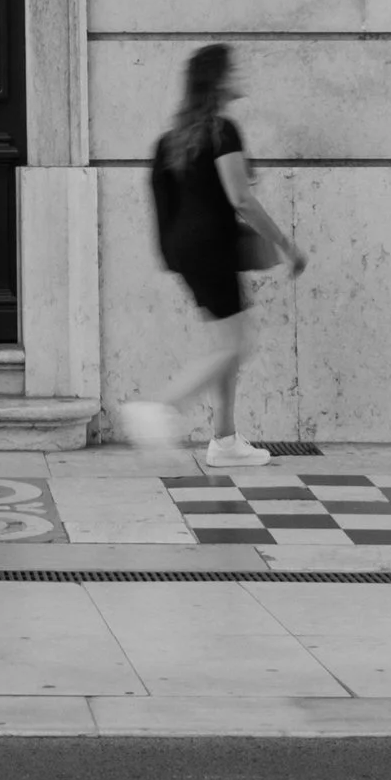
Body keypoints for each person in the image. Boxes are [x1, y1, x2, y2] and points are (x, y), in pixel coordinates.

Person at [118, 43, 302, 470]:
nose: (242, 75)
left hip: (186, 251)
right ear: (218, 80)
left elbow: (166, 203)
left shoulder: (171, 141)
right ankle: (162, 407)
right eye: (234, 69)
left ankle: (224, 438)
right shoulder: (223, 131)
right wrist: (287, 246)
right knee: (237, 344)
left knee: (227, 343)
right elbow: (242, 199)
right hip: (212, 248)